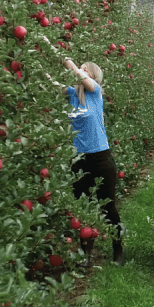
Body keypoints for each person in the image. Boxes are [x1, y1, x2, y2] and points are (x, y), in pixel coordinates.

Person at [56, 56, 125, 266]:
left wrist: (68, 62)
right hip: (79, 160)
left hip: (101, 158)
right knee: (82, 207)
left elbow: (80, 76)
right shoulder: (73, 95)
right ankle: (86, 254)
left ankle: (118, 249)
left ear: (93, 76)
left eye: (85, 70)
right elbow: (52, 84)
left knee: (108, 207)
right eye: (80, 70)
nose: (80, 72)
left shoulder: (95, 92)